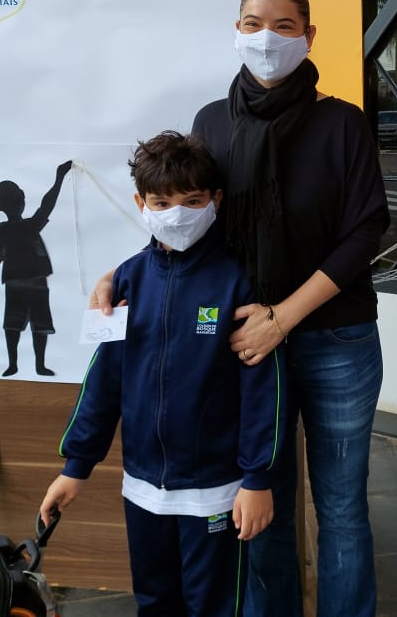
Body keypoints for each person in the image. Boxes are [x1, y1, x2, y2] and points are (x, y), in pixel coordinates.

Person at [93, 0, 390, 616]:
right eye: (253, 23)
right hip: (247, 348)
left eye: (284, 26)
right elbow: (187, 224)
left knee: (341, 509)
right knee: (261, 504)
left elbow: (365, 230)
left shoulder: (342, 125)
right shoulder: (210, 123)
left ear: (309, 37)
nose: (267, 38)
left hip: (334, 337)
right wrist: (121, 274)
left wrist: (283, 316)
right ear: (235, 31)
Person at [41, 131, 285, 616]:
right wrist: (76, 467)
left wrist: (257, 478)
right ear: (141, 203)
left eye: (192, 200)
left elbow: (263, 390)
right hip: (142, 491)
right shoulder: (127, 281)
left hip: (215, 493)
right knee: (154, 602)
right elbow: (103, 381)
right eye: (162, 201)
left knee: (213, 606)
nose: (177, 213)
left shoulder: (239, 283)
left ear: (215, 201)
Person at [0, 161, 72, 376]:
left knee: (13, 325)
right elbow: (47, 205)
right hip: (35, 283)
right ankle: (38, 365)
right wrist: (59, 178)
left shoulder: (2, 231)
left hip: (16, 284)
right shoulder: (29, 226)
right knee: (38, 325)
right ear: (23, 199)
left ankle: (14, 364)